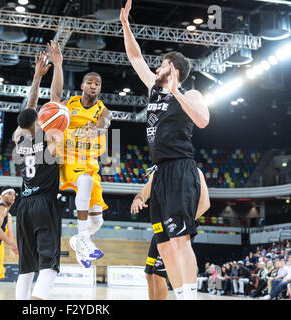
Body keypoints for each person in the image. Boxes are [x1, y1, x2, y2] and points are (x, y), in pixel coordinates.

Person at [121, 0, 210, 300]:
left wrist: (176, 93)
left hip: (180, 168)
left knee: (181, 240)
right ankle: (181, 293)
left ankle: (191, 297)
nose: (155, 68)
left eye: (161, 64)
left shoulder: (190, 93)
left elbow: (203, 120)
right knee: (164, 243)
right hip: (159, 172)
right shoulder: (154, 89)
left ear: (172, 68)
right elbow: (135, 57)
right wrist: (126, 26)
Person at [49, 40, 113, 267]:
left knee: (98, 221)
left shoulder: (102, 109)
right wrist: (58, 65)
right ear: (83, 86)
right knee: (83, 182)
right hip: (69, 159)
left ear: (99, 89)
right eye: (89, 82)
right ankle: (83, 237)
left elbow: (106, 120)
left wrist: (99, 127)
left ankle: (78, 241)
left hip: (91, 163)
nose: (93, 86)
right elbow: (54, 99)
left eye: (97, 83)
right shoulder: (71, 104)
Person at [13, 48, 63, 300]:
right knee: (49, 265)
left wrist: (36, 78)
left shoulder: (19, 139)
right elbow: (54, 102)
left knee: (26, 268)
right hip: (44, 203)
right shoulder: (51, 139)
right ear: (39, 121)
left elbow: (29, 109)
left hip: (24, 205)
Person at [130, 168, 210, 300]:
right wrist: (138, 199)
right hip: (160, 231)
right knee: (149, 274)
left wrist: (184, 221)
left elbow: (205, 203)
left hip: (178, 231)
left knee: (159, 274)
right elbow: (143, 193)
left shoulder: (193, 170)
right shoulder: (158, 171)